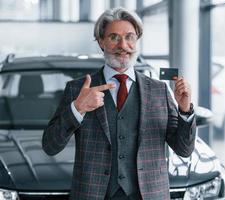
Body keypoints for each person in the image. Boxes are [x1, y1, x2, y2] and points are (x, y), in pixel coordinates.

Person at [42, 7, 196, 200]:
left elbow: (184, 149)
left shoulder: (159, 91)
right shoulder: (78, 90)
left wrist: (184, 110)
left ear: (137, 41)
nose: (123, 45)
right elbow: (50, 146)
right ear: (101, 41)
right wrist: (78, 108)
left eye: (130, 37)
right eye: (114, 37)